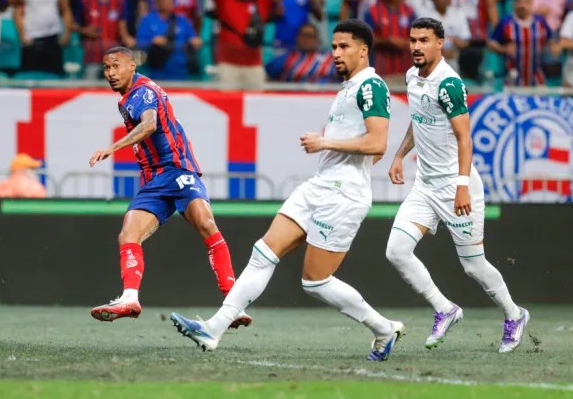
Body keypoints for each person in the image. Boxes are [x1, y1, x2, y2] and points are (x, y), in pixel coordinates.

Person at [170, 19, 405, 361]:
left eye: (344, 47)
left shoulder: (371, 86)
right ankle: (213, 329)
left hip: (345, 193)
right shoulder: (348, 87)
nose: (336, 53)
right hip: (321, 185)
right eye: (334, 46)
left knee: (315, 281)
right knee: (263, 252)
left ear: (363, 50)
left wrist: (325, 142)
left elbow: (378, 143)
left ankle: (383, 328)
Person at [386, 17, 529, 353]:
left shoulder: (449, 84)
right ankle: (445, 309)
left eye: (424, 40)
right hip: (425, 186)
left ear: (440, 43)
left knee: (473, 265)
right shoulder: (412, 77)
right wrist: (399, 155)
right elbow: (418, 120)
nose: (416, 46)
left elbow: (465, 138)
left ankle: (514, 314)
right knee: (396, 251)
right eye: (413, 40)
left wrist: (462, 185)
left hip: (456, 186)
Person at [86, 47, 252, 330]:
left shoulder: (142, 92)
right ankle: (129, 299)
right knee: (128, 234)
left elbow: (150, 125)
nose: (110, 73)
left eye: (116, 66)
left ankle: (233, 305)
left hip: (176, 169)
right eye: (106, 68)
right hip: (154, 180)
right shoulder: (128, 96)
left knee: (207, 226)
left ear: (132, 66)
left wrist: (113, 147)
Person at [487, 0, 552, 86]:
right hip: (512, 79)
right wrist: (503, 49)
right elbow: (491, 44)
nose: (522, 5)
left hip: (537, 78)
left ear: (531, 4)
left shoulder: (540, 22)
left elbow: (550, 40)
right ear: (514, 4)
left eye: (526, 2)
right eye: (519, 1)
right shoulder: (506, 22)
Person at [77, 0, 131, 78]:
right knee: (88, 87)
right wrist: (85, 31)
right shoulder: (85, 0)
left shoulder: (119, 0)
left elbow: (122, 26)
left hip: (115, 59)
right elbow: (75, 25)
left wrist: (127, 39)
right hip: (92, 56)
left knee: (115, 88)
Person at [136, 0, 201, 80]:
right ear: (157, 3)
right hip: (156, 70)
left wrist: (196, 41)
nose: (167, 4)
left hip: (180, 70)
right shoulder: (147, 20)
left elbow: (193, 38)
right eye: (164, 2)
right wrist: (152, 42)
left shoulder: (181, 20)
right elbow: (139, 42)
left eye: (170, 2)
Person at [364, 0, 416, 83]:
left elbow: (417, 37)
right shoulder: (373, 11)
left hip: (404, 68)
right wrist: (387, 41)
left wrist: (405, 42)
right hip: (380, 68)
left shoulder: (409, 11)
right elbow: (366, 39)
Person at [265, 23, 338, 82]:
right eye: (304, 35)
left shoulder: (330, 59)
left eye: (310, 36)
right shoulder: (285, 59)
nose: (307, 39)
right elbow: (266, 76)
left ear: (317, 39)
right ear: (297, 38)